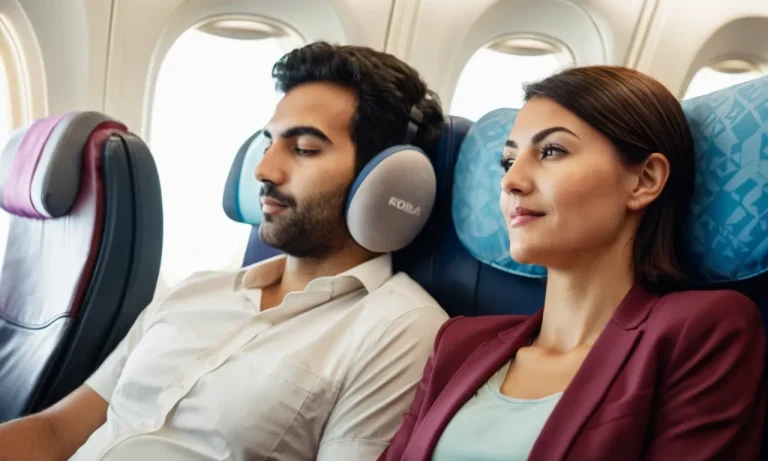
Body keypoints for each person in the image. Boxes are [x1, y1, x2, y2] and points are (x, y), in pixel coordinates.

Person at [0, 41, 449, 461]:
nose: (263, 169)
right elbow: (58, 431)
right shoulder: (195, 292)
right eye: (268, 142)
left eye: (304, 148)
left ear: (389, 180)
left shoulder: (399, 328)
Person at [379, 66, 766, 461]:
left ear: (645, 180)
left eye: (551, 151)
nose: (511, 181)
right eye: (508, 161)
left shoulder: (699, 332)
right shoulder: (458, 344)